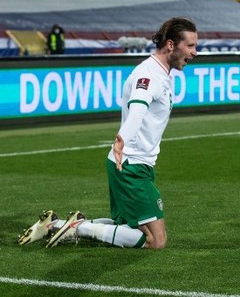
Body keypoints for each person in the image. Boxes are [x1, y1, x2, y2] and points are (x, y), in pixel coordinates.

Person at [18, 17, 198, 249]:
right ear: (171, 45)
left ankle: (56, 225)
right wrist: (121, 140)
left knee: (126, 225)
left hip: (133, 164)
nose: (195, 52)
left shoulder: (160, 73)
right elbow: (138, 108)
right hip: (131, 166)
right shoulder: (150, 75)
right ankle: (77, 228)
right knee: (155, 241)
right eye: (190, 45)